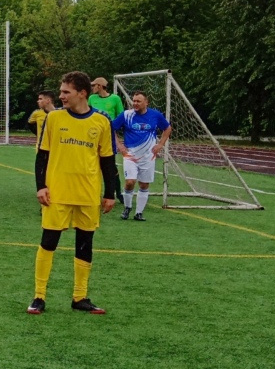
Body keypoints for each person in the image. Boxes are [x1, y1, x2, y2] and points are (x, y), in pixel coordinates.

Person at [27, 71, 119, 316]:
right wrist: (41, 186)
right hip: (57, 192)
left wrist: (110, 193)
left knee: (85, 244)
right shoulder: (54, 118)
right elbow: (42, 156)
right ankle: (39, 296)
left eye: (66, 92)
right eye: (61, 91)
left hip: (88, 194)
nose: (61, 96)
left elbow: (108, 160)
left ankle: (80, 297)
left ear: (82, 93)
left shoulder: (101, 121)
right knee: (48, 242)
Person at [111, 91, 172, 221]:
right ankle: (127, 207)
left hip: (148, 156)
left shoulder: (155, 115)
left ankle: (139, 213)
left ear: (146, 102)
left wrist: (161, 144)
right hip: (130, 155)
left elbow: (167, 128)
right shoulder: (126, 115)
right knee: (130, 182)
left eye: (138, 101)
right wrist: (119, 146)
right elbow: (111, 128)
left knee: (144, 185)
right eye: (134, 101)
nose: (135, 103)